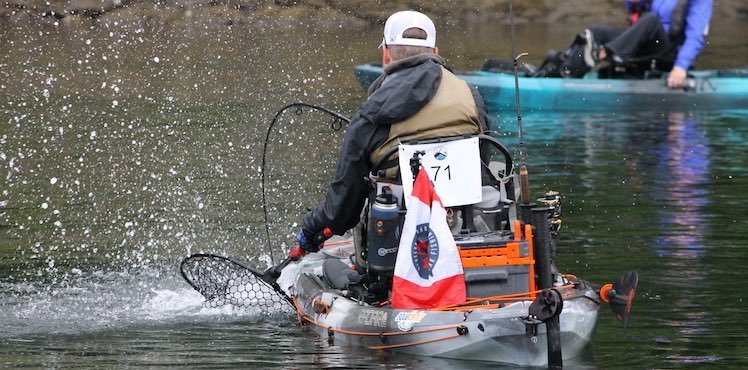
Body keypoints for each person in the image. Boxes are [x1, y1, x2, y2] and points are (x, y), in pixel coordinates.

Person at [291, 10, 491, 257]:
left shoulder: (371, 114)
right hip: (465, 231)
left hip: (396, 247)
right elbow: (482, 165)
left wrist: (311, 228)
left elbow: (341, 211)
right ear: (435, 54)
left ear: (386, 54)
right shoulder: (471, 96)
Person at [584, 0, 713, 88]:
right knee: (597, 32)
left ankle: (608, 53)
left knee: (651, 20)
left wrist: (680, 67)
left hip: (669, 55)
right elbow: (636, 8)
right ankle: (567, 70)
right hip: (647, 46)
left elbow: (696, 37)